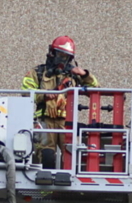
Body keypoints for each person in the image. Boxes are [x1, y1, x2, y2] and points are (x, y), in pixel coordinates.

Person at [21, 36, 98, 169]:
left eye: (66, 56)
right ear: (52, 53)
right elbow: (26, 91)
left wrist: (85, 75)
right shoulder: (38, 72)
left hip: (67, 122)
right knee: (47, 155)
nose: (62, 59)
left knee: (71, 154)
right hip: (45, 119)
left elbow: (96, 90)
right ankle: (46, 182)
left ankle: (70, 181)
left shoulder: (74, 75)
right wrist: (44, 94)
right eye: (60, 55)